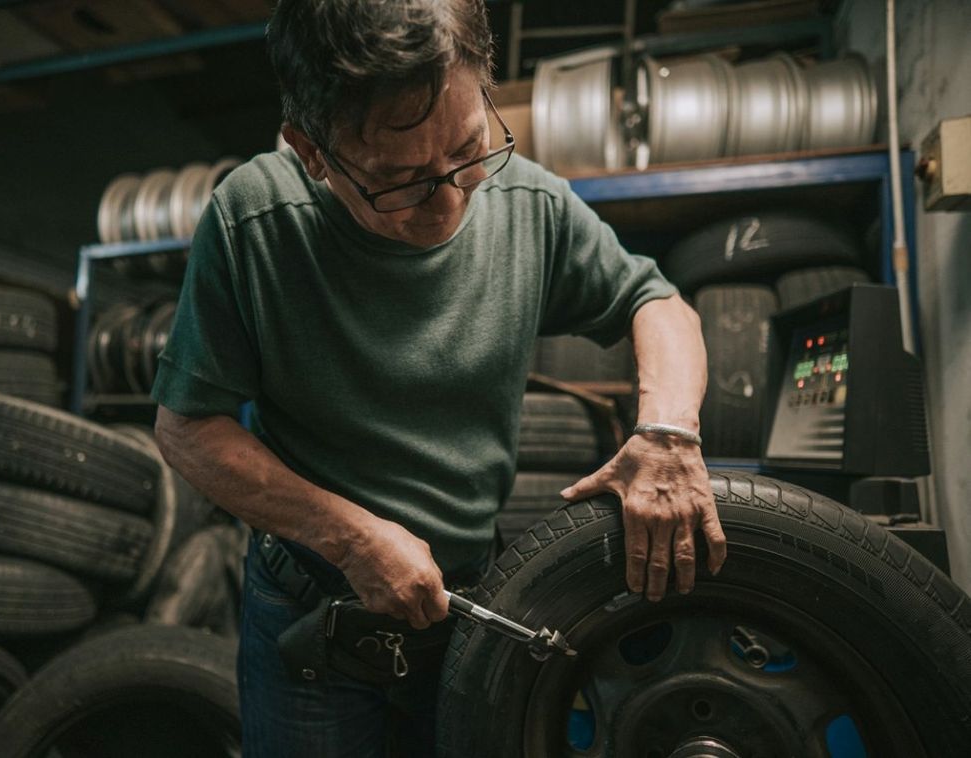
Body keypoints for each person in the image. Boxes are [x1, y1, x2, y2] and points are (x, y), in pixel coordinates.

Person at [152, 0, 727, 754]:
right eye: (401, 181)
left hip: (471, 606)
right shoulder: (253, 221)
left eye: (466, 150)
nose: (450, 199)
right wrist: (352, 539)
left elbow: (658, 305)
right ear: (312, 150)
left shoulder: (530, 202)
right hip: (311, 617)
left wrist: (666, 434)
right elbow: (188, 427)